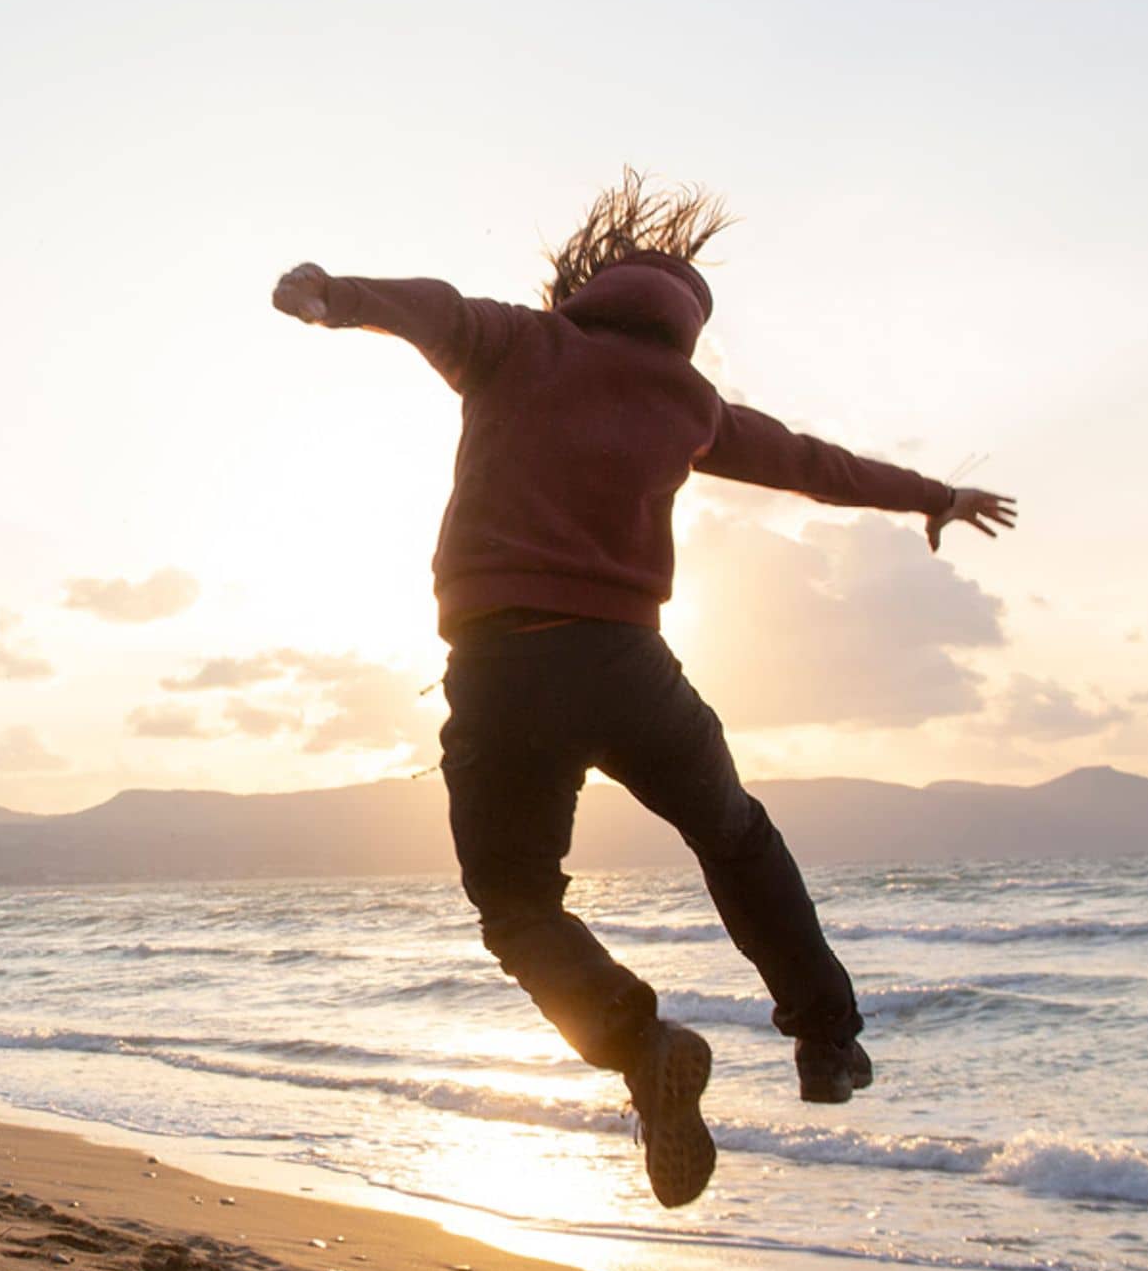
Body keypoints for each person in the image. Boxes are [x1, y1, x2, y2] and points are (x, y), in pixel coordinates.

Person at [270, 172, 1016, 1208]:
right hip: (627, 669)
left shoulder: (518, 343)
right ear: (684, 324)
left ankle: (640, 1043)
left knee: (518, 903)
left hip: (498, 672)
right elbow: (812, 465)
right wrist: (934, 495)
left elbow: (432, 305)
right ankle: (827, 1043)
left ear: (590, 285)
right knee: (735, 836)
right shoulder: (687, 402)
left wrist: (333, 293)